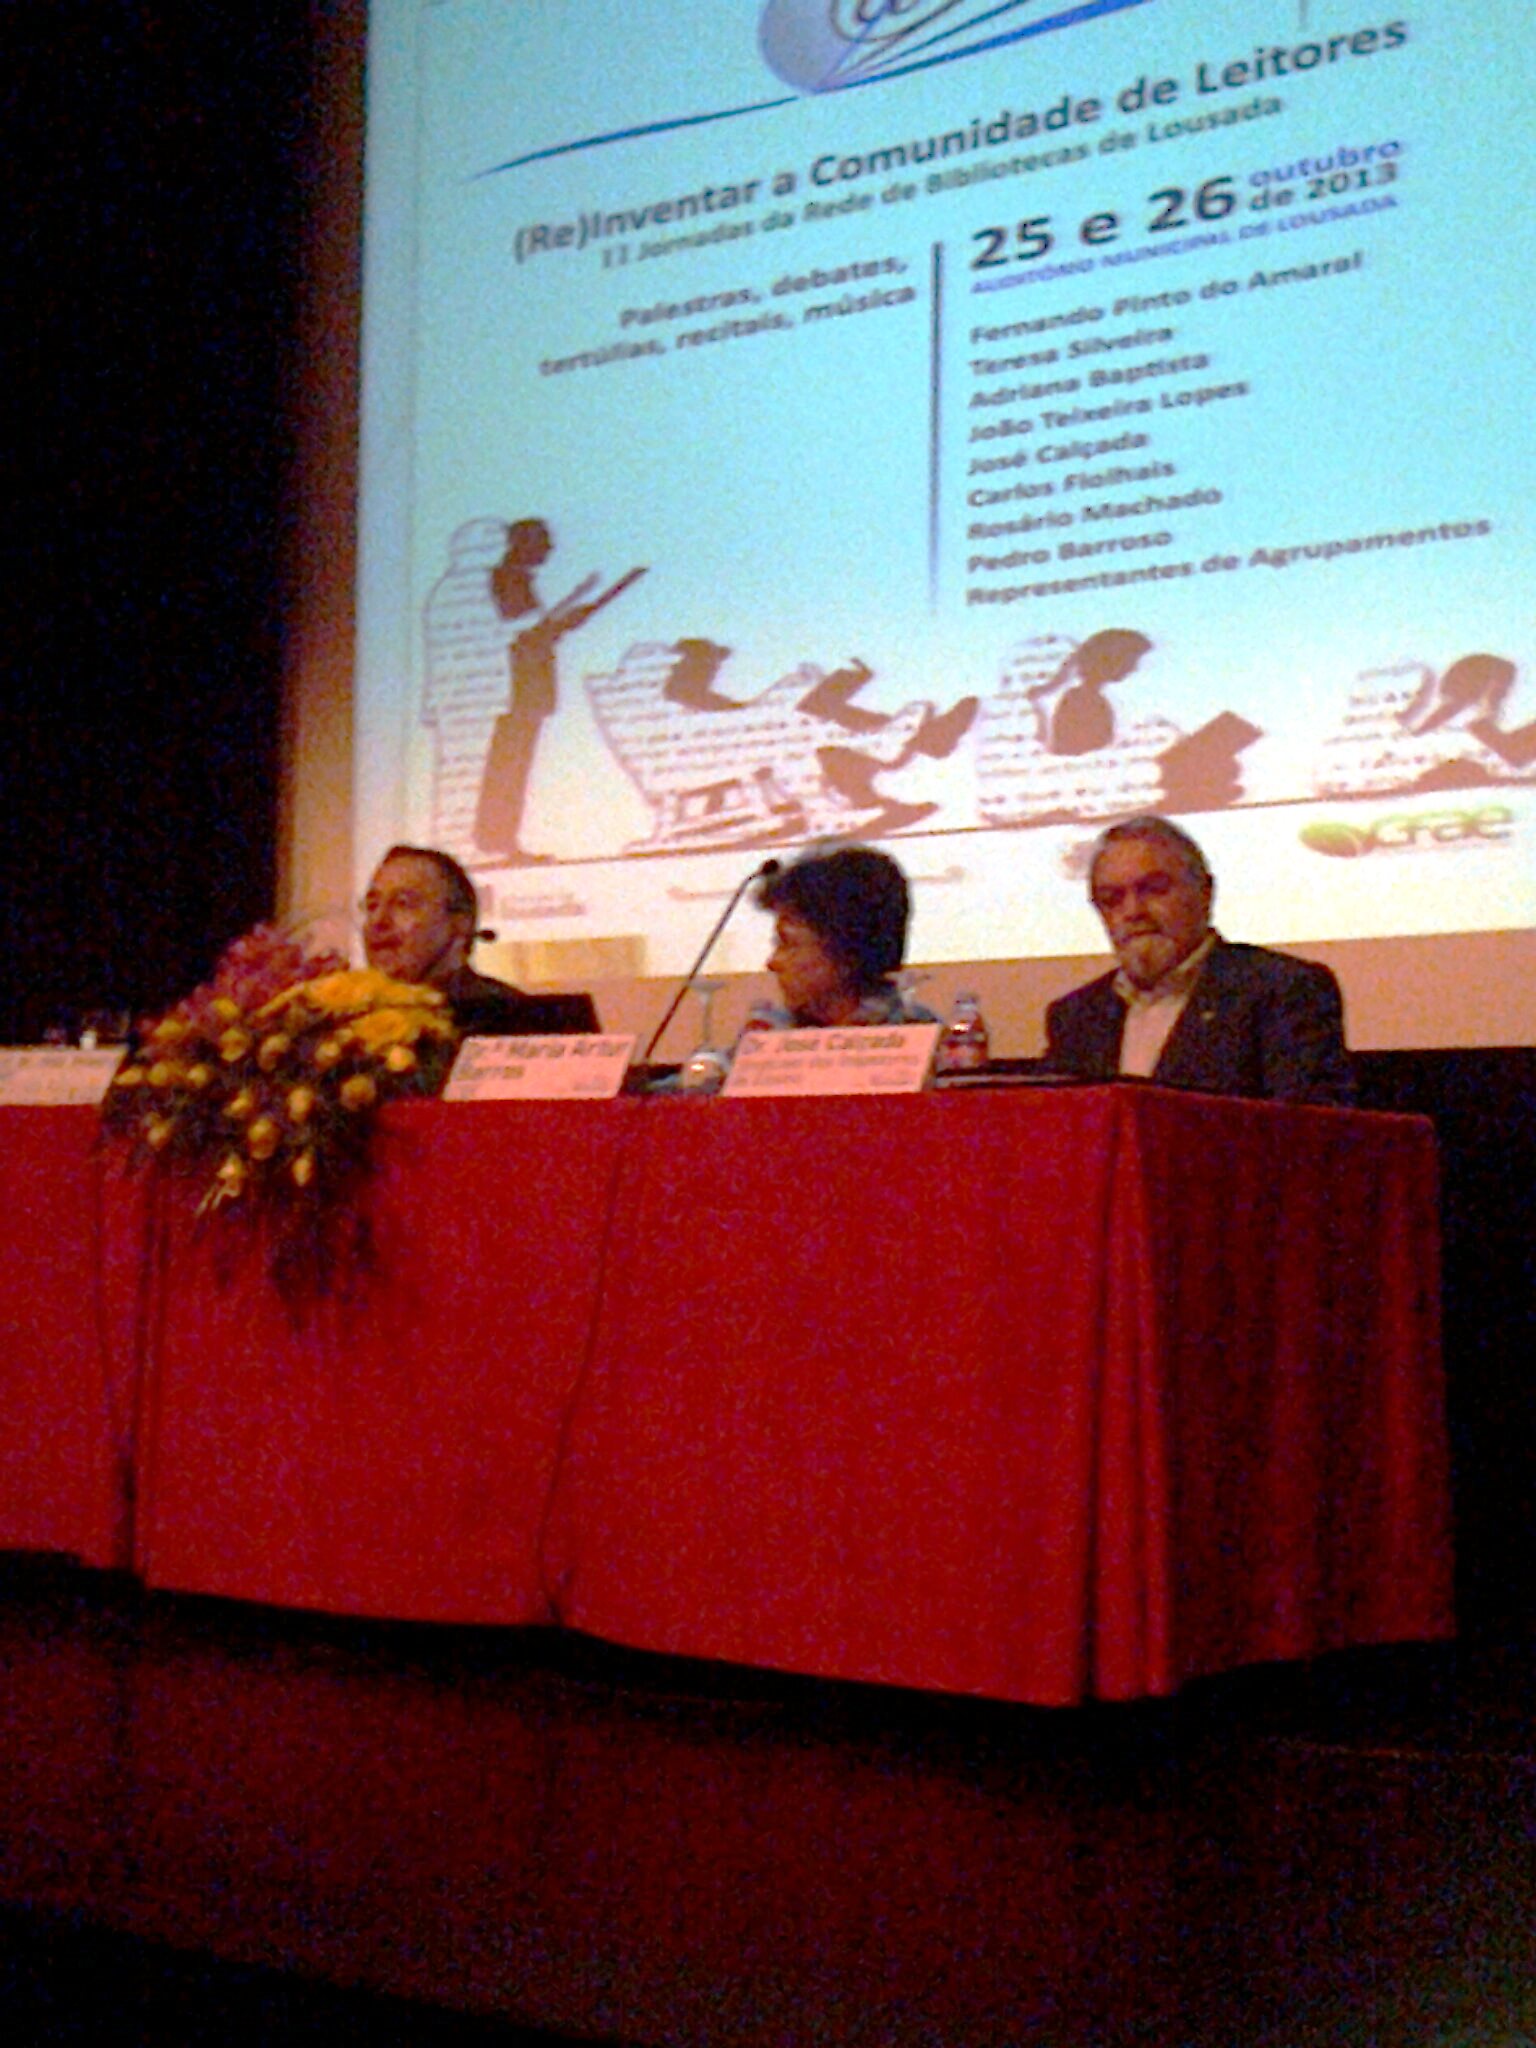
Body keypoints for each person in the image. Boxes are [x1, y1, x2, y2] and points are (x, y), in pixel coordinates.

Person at [1045, 816, 1355, 1104]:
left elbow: (1309, 1131)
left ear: (1205, 892)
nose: (1133, 911)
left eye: (1153, 890)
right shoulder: (1075, 1017)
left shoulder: (1283, 991)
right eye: (1112, 899)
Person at [361, 845, 597, 1037]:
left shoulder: (516, 1020)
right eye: (372, 905)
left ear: (460, 924)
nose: (378, 921)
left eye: (403, 904)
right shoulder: (348, 1022)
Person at [754, 844, 935, 1027]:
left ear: (846, 954)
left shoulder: (920, 1034)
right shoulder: (770, 1033)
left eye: (787, 944)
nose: (772, 963)